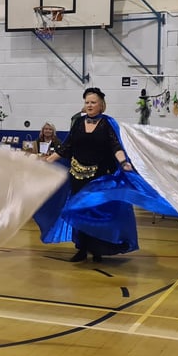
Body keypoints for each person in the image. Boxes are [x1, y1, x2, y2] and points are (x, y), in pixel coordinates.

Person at [46, 87, 137, 262]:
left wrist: (123, 162)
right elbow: (67, 146)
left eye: (93, 102)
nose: (89, 105)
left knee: (95, 212)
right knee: (79, 211)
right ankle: (81, 249)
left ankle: (97, 249)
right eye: (87, 102)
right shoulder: (79, 123)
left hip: (98, 178)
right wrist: (48, 160)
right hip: (77, 176)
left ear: (101, 105)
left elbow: (115, 146)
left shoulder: (107, 124)